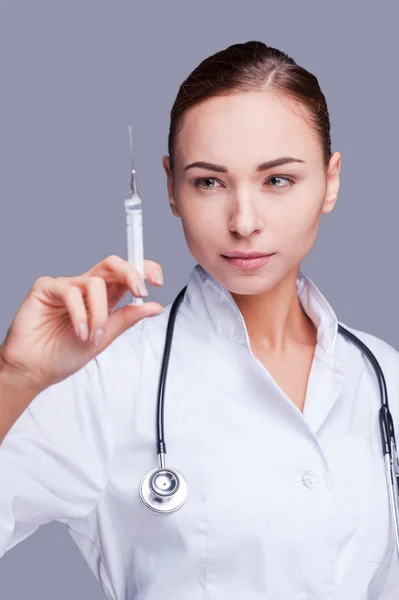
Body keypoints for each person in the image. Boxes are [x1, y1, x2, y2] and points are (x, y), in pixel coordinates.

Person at [0, 40, 398, 600]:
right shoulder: (105, 373)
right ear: (170, 188)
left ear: (330, 181)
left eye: (277, 179)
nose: (244, 221)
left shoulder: (383, 376)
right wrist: (16, 376)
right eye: (209, 182)